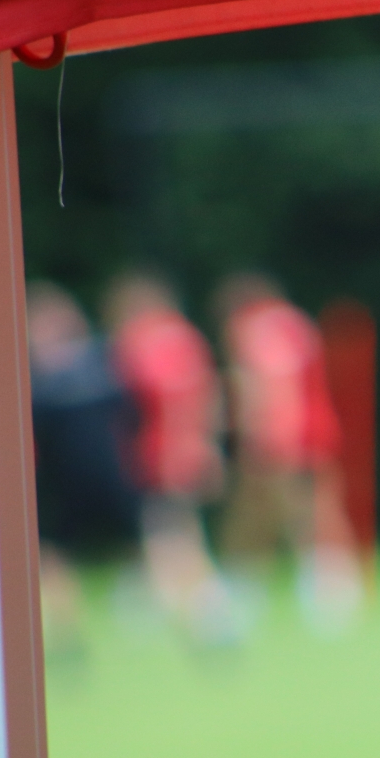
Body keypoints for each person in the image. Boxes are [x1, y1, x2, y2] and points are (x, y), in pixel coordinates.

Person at [215, 273, 362, 630]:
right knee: (315, 510)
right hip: (316, 431)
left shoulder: (259, 329)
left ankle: (258, 594)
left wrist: (267, 436)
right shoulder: (294, 322)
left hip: (283, 437)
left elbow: (273, 385)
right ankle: (333, 589)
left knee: (279, 515)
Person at [106, 271, 235, 644]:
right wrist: (207, 444)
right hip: (186, 448)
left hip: (160, 452)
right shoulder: (187, 338)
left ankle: (201, 608)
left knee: (166, 530)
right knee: (179, 527)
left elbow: (160, 399)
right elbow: (210, 394)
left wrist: (179, 448)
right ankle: (186, 603)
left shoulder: (142, 343)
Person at [26, 281, 140, 658]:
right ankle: (66, 635)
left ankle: (66, 635)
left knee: (54, 555)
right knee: (54, 555)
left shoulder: (40, 379)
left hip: (81, 479)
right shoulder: (104, 362)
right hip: (99, 476)